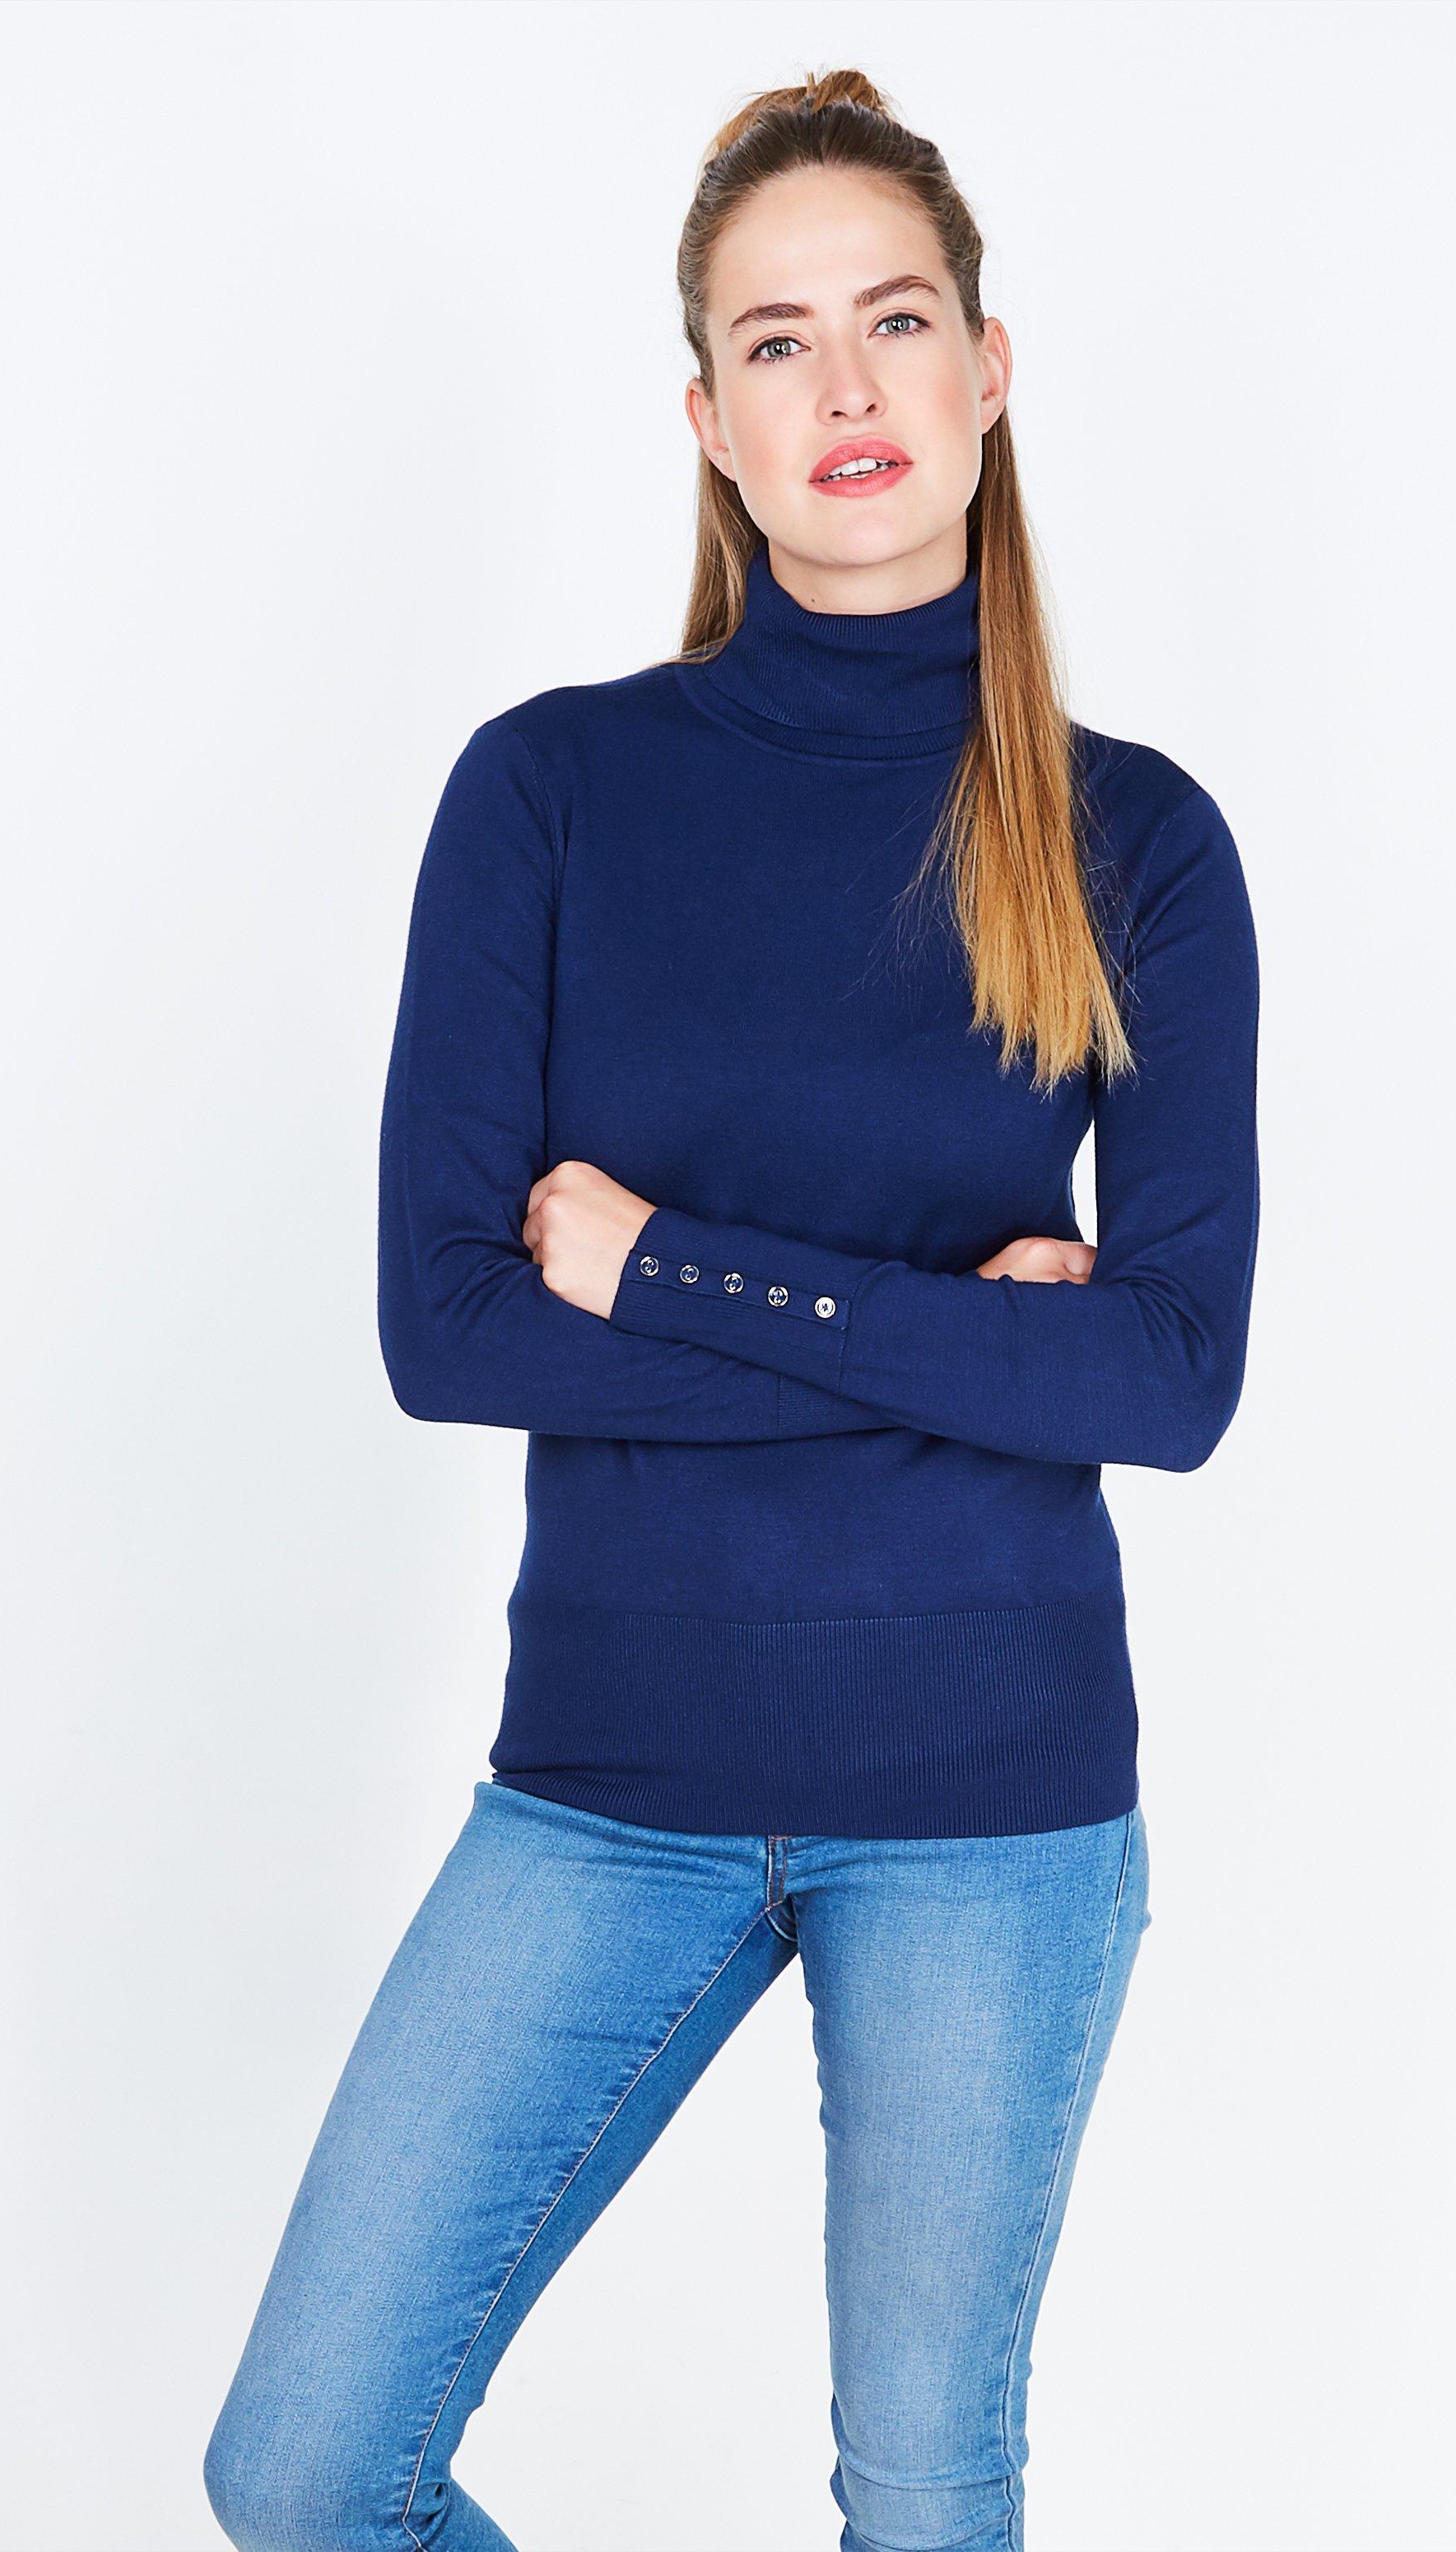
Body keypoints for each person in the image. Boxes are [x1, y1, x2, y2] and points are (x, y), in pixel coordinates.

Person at [204, 65, 1260, 2552]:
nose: (847, 385)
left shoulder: (1133, 836)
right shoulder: (550, 793)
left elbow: (1164, 1377)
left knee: (924, 2493)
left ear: (988, 370)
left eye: (896, 320)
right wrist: (965, 1349)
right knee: (310, 2464)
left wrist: (666, 1264)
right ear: (707, 418)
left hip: (993, 1794)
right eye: (778, 341)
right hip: (610, 1775)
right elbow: (452, 1331)